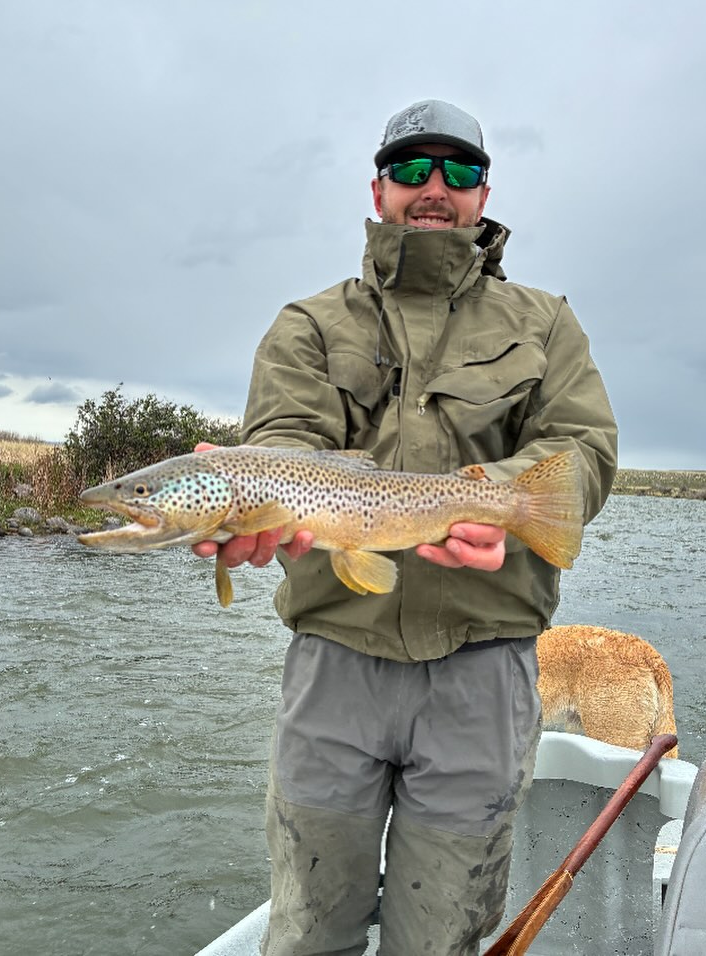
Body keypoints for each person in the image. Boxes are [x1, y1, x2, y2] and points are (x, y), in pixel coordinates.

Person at [194, 99, 618, 955]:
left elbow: (581, 447)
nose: (435, 187)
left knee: (443, 937)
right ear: (378, 186)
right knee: (309, 929)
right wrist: (248, 502)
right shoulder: (307, 324)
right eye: (413, 169)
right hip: (334, 669)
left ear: (484, 190)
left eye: (458, 171)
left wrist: (501, 502)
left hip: (484, 672)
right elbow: (285, 444)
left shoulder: (545, 323)